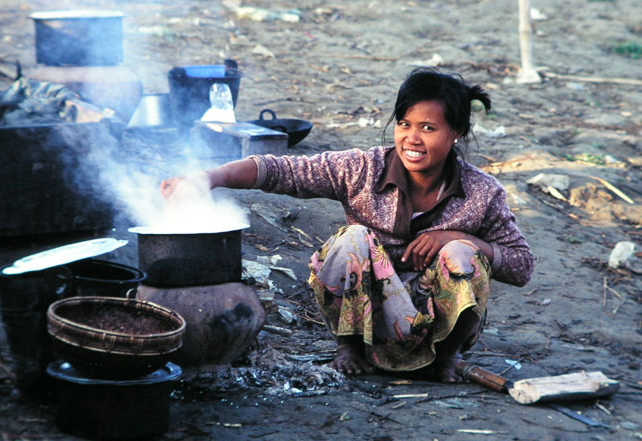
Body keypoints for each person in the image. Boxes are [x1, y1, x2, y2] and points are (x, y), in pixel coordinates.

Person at [161, 67, 534, 382]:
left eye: (428, 128)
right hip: (368, 323)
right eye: (404, 124)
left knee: (461, 253)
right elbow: (280, 169)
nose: (412, 138)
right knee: (352, 239)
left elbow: (521, 266)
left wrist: (463, 239)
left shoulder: (482, 192)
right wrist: (207, 178)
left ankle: (446, 359)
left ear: (456, 133)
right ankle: (349, 348)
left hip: (437, 326)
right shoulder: (362, 168)